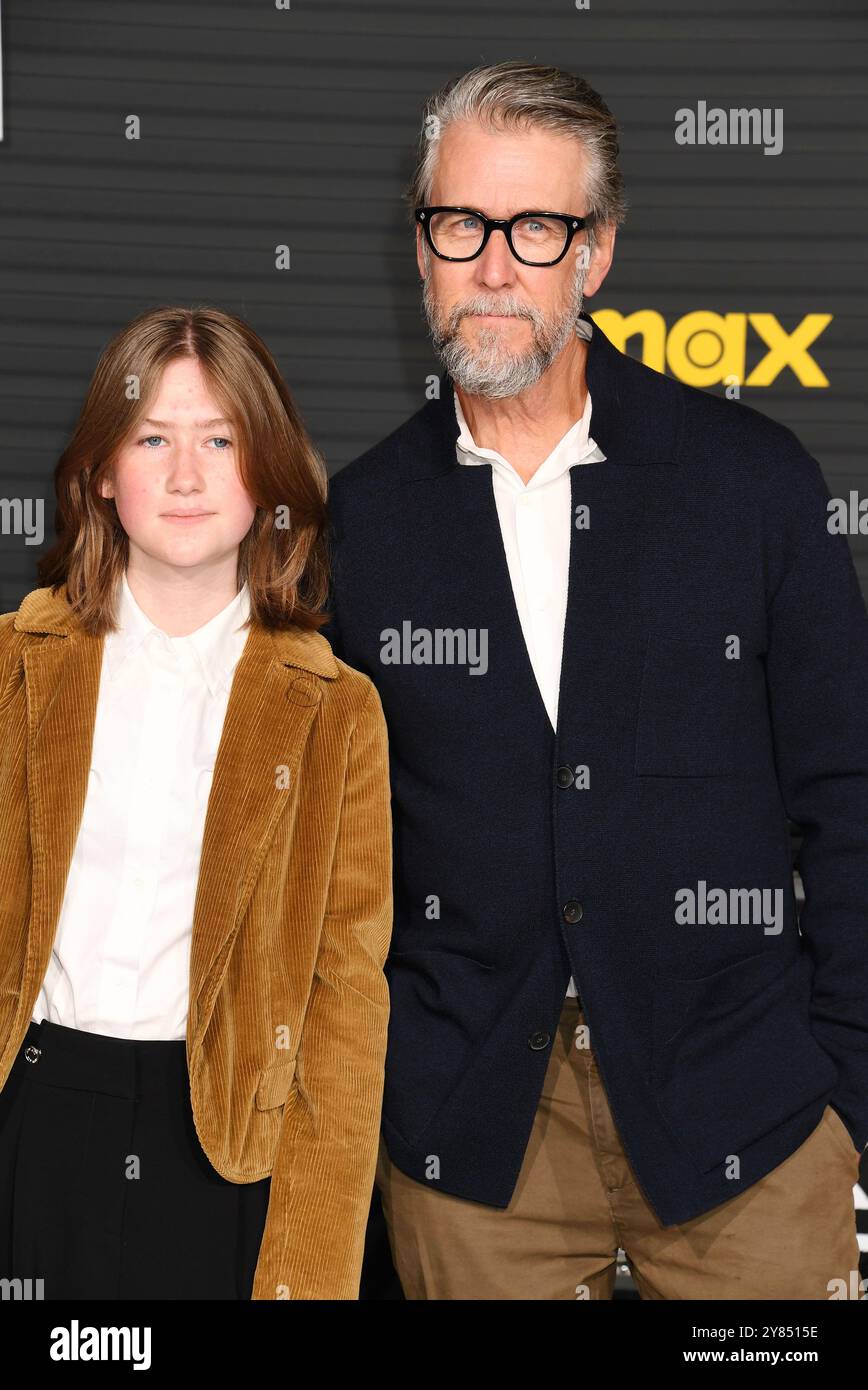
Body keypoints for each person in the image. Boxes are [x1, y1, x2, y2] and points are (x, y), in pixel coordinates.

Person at [323, 60, 868, 1299]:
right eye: (460, 224)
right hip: (472, 1148)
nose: (495, 264)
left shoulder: (750, 484)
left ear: (597, 254)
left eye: (537, 227)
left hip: (751, 1127)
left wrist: (846, 1089)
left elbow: (850, 794)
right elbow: (332, 857)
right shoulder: (357, 527)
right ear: (421, 249)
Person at [0, 305, 393, 1300]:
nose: (185, 475)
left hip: (221, 1155)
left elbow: (343, 1016)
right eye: (152, 439)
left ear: (266, 475)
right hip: (29, 1117)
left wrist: (311, 1276)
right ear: (100, 470)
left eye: (219, 440)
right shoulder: (11, 669)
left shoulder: (336, 715)